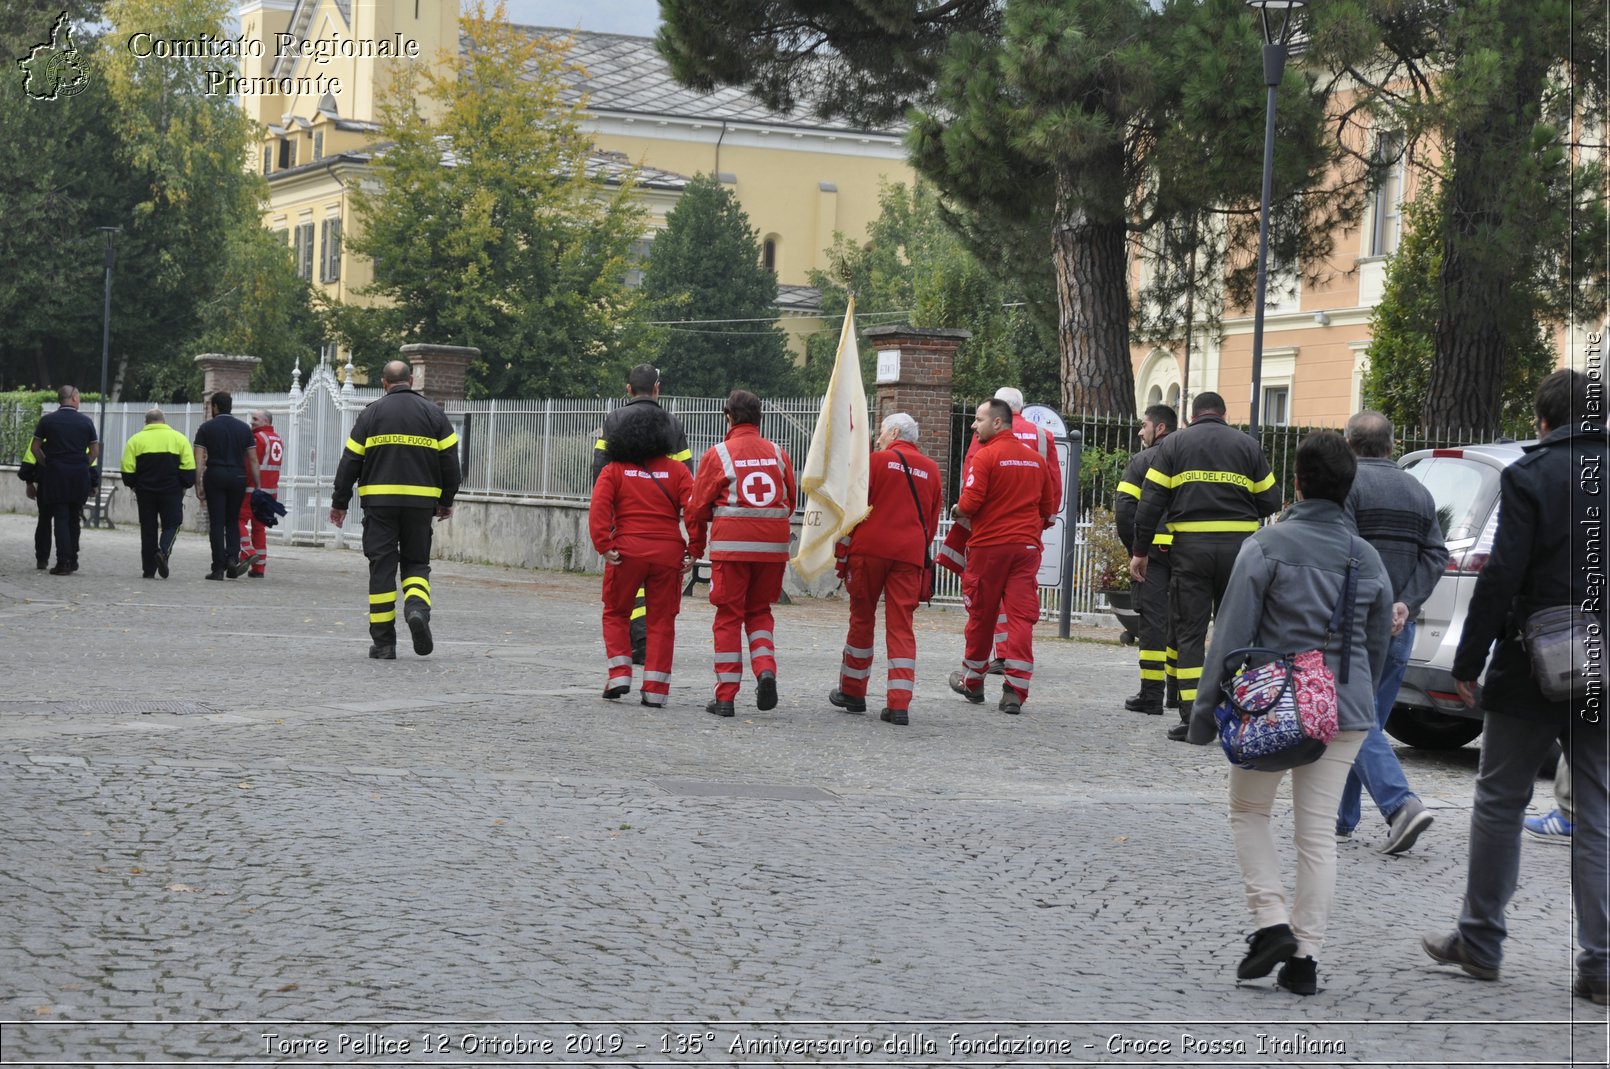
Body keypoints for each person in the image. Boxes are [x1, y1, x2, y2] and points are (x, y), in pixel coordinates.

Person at [1423, 369, 1609, 1007]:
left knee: (1500, 798)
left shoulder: (1530, 476)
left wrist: (1468, 659)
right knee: (1600, 810)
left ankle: (1481, 940)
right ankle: (1602, 964)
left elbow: (1502, 574)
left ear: (1543, 421)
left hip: (1535, 660)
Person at [1186, 430, 1393, 996]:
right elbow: (1374, 647)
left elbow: (1231, 635)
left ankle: (1271, 920)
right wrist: (1358, 701)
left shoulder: (1267, 545)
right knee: (1317, 836)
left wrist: (1205, 714)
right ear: (1348, 489)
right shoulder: (1366, 557)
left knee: (1249, 812)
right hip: (1343, 710)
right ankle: (1305, 960)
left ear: (1297, 481)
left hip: (1273, 706)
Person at [1131, 391, 1282, 741]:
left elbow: (1150, 502)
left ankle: (1193, 719)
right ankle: (1237, 710)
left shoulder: (1173, 446)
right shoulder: (1248, 446)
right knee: (1237, 632)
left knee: (1190, 634)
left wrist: (1141, 551)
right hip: (1240, 551)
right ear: (1224, 413)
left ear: (1192, 415)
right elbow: (1270, 499)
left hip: (1190, 552)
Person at [1333, 410, 1448, 854]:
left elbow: (1348, 552)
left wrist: (1378, 603)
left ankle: (1401, 805)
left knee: (1354, 721)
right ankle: (1340, 818)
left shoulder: (1349, 487)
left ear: (1349, 444)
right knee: (1369, 722)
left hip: (1357, 624)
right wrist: (1405, 603)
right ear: (1392, 444)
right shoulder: (1419, 491)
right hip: (1402, 624)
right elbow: (1435, 555)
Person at [330, 361, 462, 659]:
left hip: (379, 506)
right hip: (419, 506)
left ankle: (384, 643)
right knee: (416, 563)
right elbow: (451, 463)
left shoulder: (370, 414)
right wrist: (446, 499)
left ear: (383, 382)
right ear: (412, 379)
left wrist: (339, 503)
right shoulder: (434, 414)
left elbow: (350, 461)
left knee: (382, 569)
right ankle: (416, 609)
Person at [685, 389, 797, 718]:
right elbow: (789, 501)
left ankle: (725, 697)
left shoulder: (718, 454)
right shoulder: (778, 453)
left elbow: (697, 508)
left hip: (732, 550)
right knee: (759, 612)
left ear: (728, 417)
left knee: (728, 617)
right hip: (772, 551)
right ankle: (765, 670)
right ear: (760, 419)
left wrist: (694, 547)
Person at [829, 412, 941, 727]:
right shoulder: (932, 470)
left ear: (893, 432)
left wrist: (842, 552)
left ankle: (853, 692)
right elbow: (930, 522)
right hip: (909, 556)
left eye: (881, 432)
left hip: (869, 551)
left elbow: (853, 511)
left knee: (862, 619)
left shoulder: (875, 463)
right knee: (901, 626)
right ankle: (899, 704)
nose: (879, 437)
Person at [947, 398, 1056, 715]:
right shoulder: (1035, 460)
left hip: (989, 548)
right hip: (1026, 549)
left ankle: (973, 680)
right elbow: (1047, 509)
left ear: (997, 423)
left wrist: (957, 510)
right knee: (1021, 618)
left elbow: (969, 504)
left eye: (978, 419)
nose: (973, 425)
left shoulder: (985, 457)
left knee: (982, 615)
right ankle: (1014, 691)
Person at [589, 403, 694, 707]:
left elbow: (599, 509)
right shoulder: (677, 471)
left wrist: (603, 545)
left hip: (626, 552)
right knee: (662, 620)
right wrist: (695, 548)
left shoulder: (614, 470)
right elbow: (694, 509)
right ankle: (656, 690)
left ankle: (620, 674)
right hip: (668, 553)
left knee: (616, 612)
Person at [1115, 403, 1178, 714]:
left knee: (1153, 620)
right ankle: (1179, 693)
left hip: (1152, 553)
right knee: (1185, 618)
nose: (1140, 431)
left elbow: (1125, 510)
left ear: (1160, 429)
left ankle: (1151, 694)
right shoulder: (1189, 459)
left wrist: (1136, 550)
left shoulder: (1143, 461)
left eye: (1144, 425)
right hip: (1187, 552)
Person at [28, 385, 100, 576]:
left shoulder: (47, 421)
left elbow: (35, 448)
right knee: (74, 517)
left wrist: (47, 464)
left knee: (60, 517)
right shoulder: (86, 422)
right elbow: (94, 451)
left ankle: (63, 562)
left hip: (55, 475)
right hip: (78, 475)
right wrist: (83, 464)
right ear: (74, 398)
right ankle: (73, 559)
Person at [119, 408, 196, 579]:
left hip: (145, 492)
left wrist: (134, 486)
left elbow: (127, 470)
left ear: (146, 423)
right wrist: (184, 485)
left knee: (148, 529)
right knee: (173, 524)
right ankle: (163, 551)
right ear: (164, 421)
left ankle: (148, 569)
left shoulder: (135, 440)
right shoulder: (179, 439)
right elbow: (189, 468)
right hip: (171, 491)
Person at [193, 392, 262, 580]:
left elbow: (199, 461)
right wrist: (258, 484)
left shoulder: (206, 428)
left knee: (217, 522)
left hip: (215, 475)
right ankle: (232, 559)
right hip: (238, 476)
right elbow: (253, 459)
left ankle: (218, 568)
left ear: (215, 407)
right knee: (232, 519)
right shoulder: (244, 429)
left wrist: (197, 482)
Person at [236, 410, 283, 578]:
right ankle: (259, 568)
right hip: (270, 492)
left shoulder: (258, 439)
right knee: (259, 527)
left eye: (255, 419)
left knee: (238, 519)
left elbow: (251, 465)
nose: (251, 422)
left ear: (265, 421)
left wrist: (244, 484)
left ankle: (247, 551)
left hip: (253, 490)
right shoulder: (277, 439)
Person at [17, 444, 52, 570]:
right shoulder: (82, 431)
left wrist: (29, 481)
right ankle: (67, 560)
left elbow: (29, 461)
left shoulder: (41, 435)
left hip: (46, 484)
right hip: (70, 485)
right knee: (67, 521)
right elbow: (91, 457)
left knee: (44, 521)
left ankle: (42, 559)